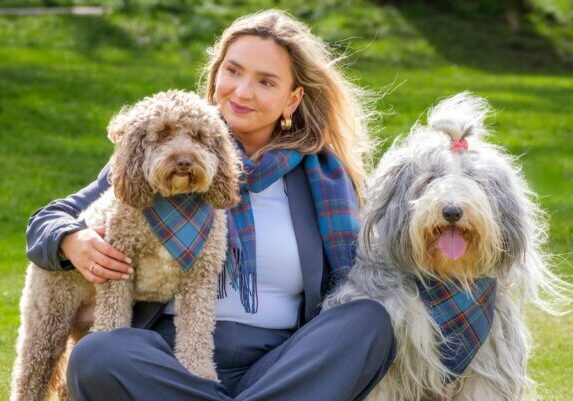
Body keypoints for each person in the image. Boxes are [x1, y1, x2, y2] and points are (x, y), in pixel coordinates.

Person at [26, 9, 395, 401]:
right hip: (165, 362)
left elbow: (368, 276)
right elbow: (45, 222)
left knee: (369, 321)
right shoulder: (160, 155)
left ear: (293, 99)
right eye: (233, 71)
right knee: (99, 354)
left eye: (266, 82)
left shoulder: (323, 177)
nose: (242, 91)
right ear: (217, 74)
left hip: (283, 364)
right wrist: (71, 241)